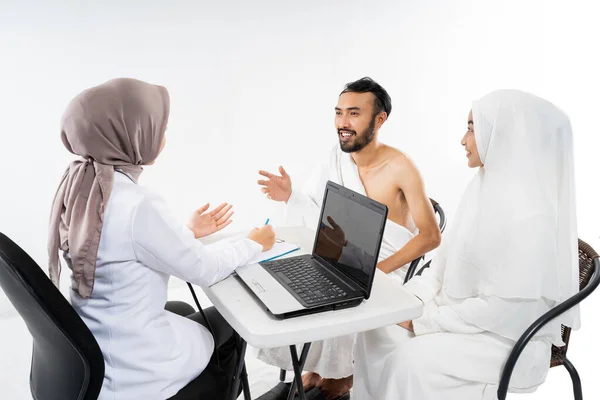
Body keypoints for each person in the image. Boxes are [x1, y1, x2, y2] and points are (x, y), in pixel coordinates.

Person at [47, 78, 276, 400]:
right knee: (235, 320)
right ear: (128, 135)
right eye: (156, 128)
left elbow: (123, 245)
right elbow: (203, 269)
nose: (163, 138)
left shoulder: (81, 186)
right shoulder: (137, 204)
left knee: (181, 306)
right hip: (137, 370)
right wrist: (254, 242)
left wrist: (187, 233)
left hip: (93, 345)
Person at [352, 89, 581, 399]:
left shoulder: (532, 218)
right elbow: (441, 267)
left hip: (505, 340)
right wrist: (407, 301)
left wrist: (424, 321)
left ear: (505, 135)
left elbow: (500, 312)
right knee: (376, 328)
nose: (463, 139)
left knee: (412, 361)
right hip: (463, 318)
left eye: (473, 128)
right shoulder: (481, 189)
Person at [256, 77, 441, 399]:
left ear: (379, 119)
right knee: (296, 284)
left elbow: (430, 237)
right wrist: (290, 196)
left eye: (354, 114)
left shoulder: (401, 167)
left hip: (386, 267)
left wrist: (377, 271)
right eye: (339, 113)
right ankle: (316, 370)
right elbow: (319, 213)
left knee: (342, 295)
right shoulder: (336, 158)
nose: (343, 123)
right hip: (339, 257)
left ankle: (340, 379)